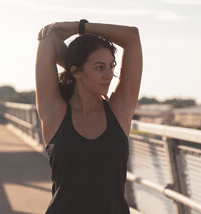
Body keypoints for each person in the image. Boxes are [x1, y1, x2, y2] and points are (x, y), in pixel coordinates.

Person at [35, 20, 142, 213]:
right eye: (99, 67)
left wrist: (80, 27)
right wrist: (77, 56)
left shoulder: (119, 110)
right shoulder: (54, 112)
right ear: (75, 72)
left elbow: (132, 37)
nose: (109, 75)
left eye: (111, 66)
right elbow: (48, 39)